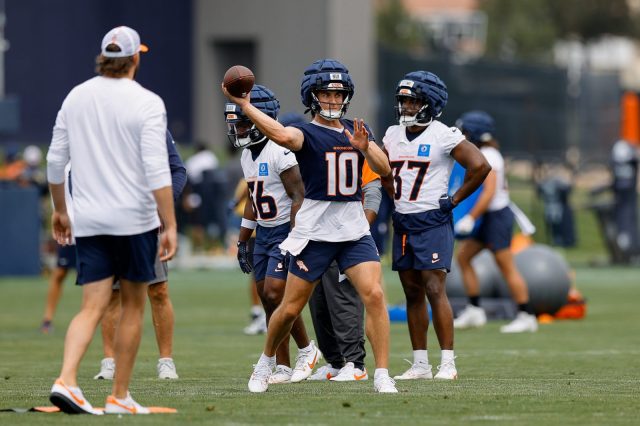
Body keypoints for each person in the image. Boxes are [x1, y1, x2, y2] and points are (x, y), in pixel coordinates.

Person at [222, 59, 397, 393]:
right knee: (288, 307)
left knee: (374, 295)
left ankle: (381, 374)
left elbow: (385, 168)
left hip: (353, 229)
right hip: (315, 231)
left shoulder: (355, 130)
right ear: (312, 96)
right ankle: (265, 362)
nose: (333, 100)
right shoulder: (306, 133)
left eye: (338, 94)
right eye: (326, 94)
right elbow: (281, 134)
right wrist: (245, 105)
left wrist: (366, 148)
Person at [46, 26, 177, 415]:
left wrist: (60, 210)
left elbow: (55, 161)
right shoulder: (148, 102)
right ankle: (119, 395)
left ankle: (67, 379)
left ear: (103, 58)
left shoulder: (76, 97)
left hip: (88, 219)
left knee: (92, 306)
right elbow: (157, 169)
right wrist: (169, 223)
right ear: (135, 59)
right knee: (134, 306)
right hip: (134, 220)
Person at [380, 71, 490, 381]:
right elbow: (382, 171)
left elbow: (480, 166)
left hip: (432, 220)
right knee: (412, 291)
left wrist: (454, 200)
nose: (407, 106)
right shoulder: (391, 134)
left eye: (413, 101)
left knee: (433, 287)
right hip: (403, 220)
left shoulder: (444, 134)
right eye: (403, 100)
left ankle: (448, 363)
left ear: (429, 103)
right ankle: (420, 365)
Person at [228, 84, 318, 384]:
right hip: (264, 233)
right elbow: (254, 200)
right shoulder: (247, 156)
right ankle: (283, 364)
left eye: (242, 122)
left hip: (284, 230)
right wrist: (242, 240)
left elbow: (298, 196)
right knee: (268, 300)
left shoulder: (279, 151)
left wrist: (295, 235)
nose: (237, 129)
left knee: (274, 293)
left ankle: (307, 349)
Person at [93, 130, 186, 380]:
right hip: (108, 222)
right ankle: (109, 361)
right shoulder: (99, 125)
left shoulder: (153, 125)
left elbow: (177, 170)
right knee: (112, 294)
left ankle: (166, 361)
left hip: (146, 221)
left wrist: (163, 205)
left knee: (158, 290)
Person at [453, 111, 538, 333]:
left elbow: (488, 192)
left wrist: (471, 217)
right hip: (487, 216)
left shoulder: (489, 155)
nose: (463, 135)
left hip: (496, 217)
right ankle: (475, 310)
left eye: (466, 131)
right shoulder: (484, 152)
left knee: (506, 267)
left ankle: (526, 314)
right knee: (463, 258)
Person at [307, 160, 382, 382]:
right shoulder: (310, 142)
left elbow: (372, 191)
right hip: (314, 235)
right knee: (318, 302)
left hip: (344, 235)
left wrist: (360, 231)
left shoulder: (353, 143)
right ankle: (335, 362)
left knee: (343, 300)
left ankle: (355, 363)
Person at [41, 166, 76, 334]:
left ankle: (92, 318)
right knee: (60, 273)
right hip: (71, 228)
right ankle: (47, 319)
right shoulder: (63, 163)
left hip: (93, 228)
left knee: (97, 279)